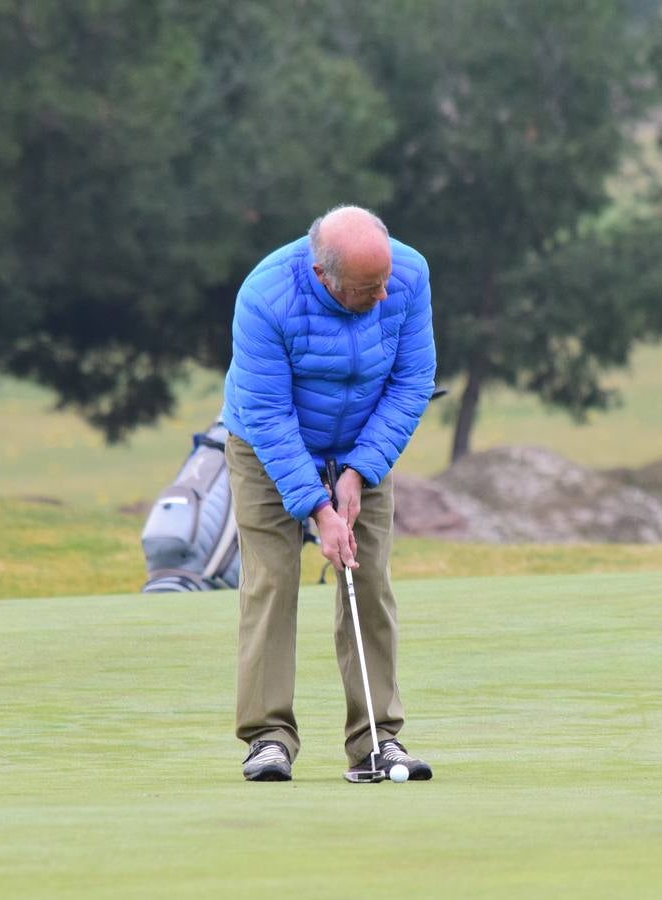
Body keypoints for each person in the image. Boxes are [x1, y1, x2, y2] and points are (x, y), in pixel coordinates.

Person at [221, 205, 437, 782]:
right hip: (267, 444)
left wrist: (359, 472)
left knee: (367, 581)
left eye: (385, 279)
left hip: (363, 442)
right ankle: (267, 738)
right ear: (322, 275)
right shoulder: (265, 296)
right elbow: (267, 414)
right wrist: (317, 508)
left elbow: (414, 381)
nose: (383, 294)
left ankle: (378, 740)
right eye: (367, 288)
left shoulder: (408, 276)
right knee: (271, 581)